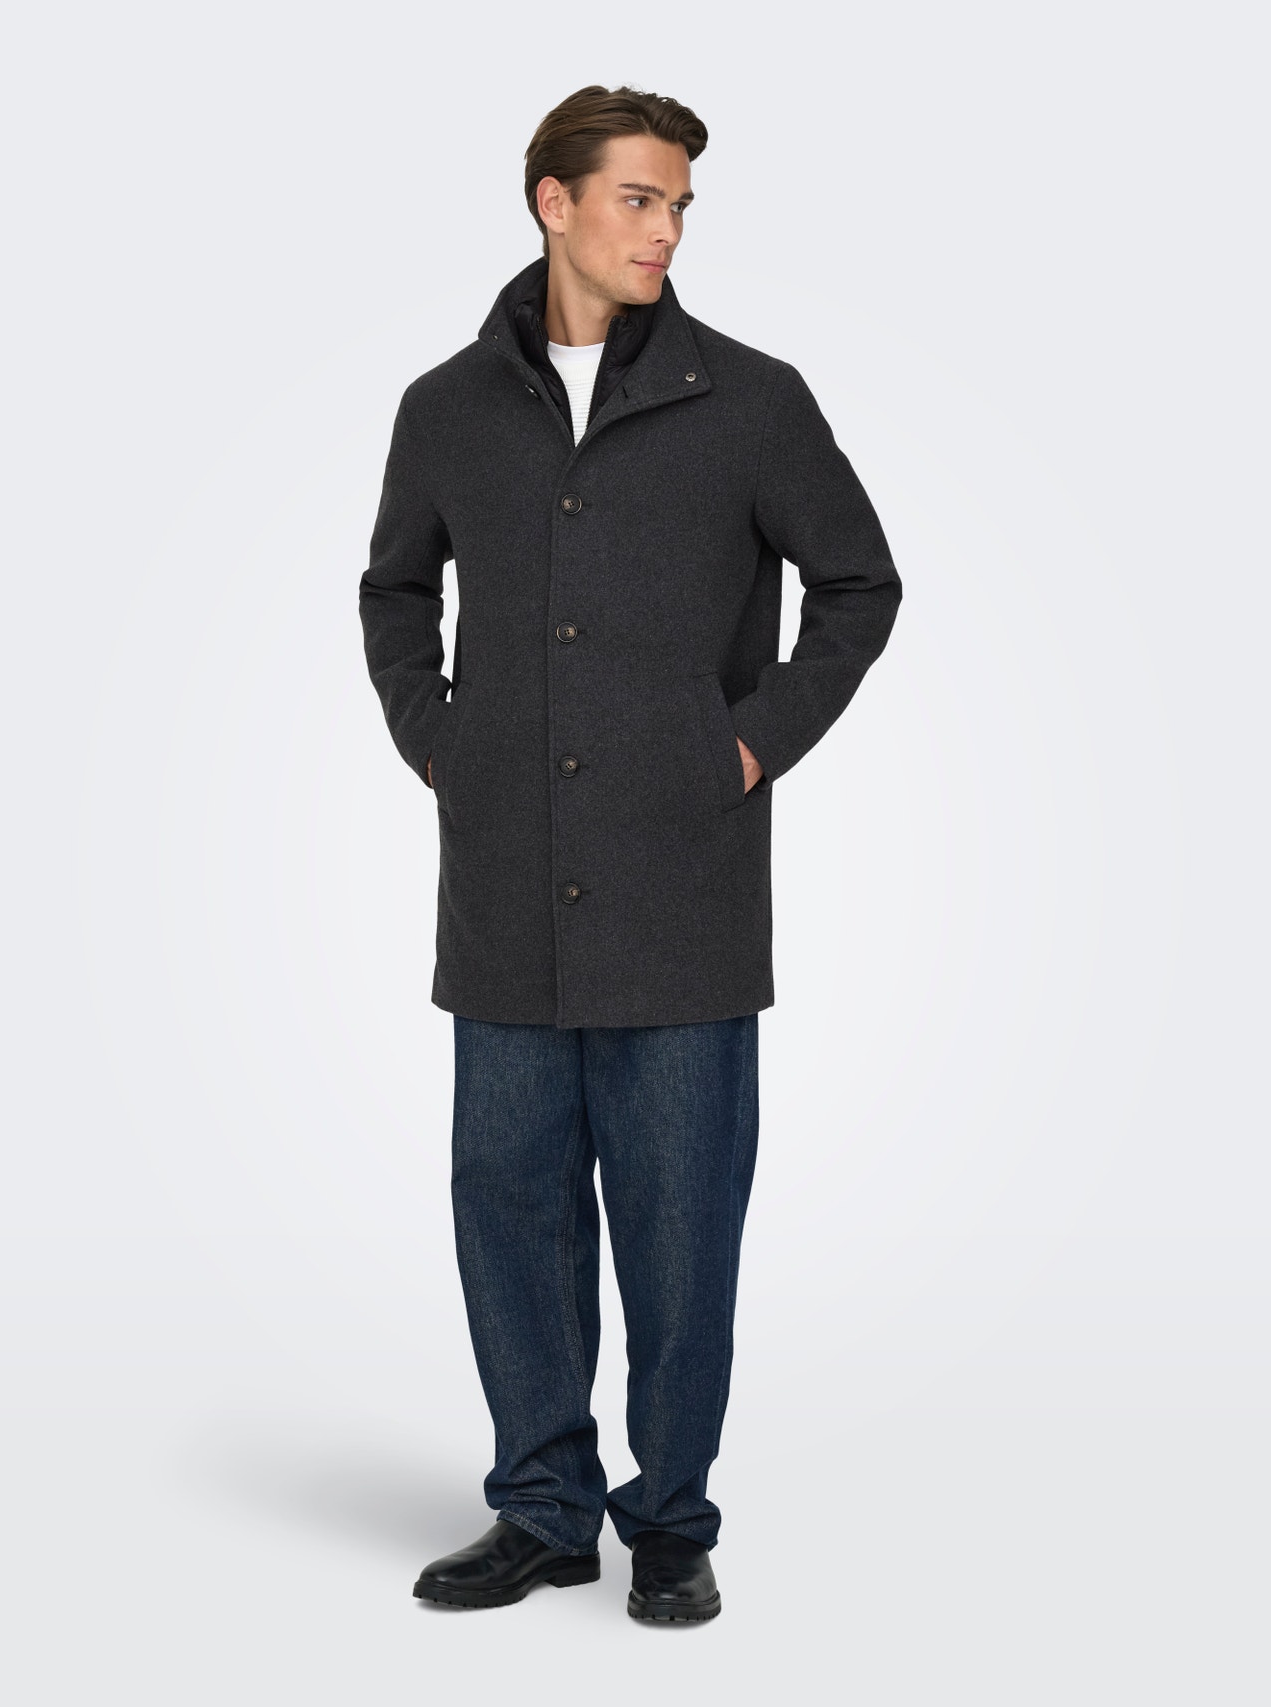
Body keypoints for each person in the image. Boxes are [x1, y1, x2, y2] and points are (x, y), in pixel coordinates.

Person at [358, 83, 902, 1622]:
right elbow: (394, 591)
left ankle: (670, 1522)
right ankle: (541, 1510)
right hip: (505, 903)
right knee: (512, 1219)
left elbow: (858, 586)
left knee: (678, 1233)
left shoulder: (753, 401)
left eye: (678, 206)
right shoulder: (447, 408)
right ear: (555, 201)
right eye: (638, 199)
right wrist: (438, 739)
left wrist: (749, 743)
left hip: (683, 897)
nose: (663, 230)